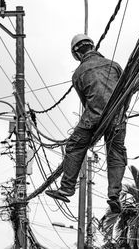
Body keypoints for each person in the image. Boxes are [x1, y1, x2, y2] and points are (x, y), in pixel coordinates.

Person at [46, 34, 128, 213]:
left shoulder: (78, 74)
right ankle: (114, 194)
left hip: (92, 117)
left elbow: (86, 101)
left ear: (76, 54)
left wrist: (93, 125)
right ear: (92, 46)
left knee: (75, 146)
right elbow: (125, 91)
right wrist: (120, 113)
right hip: (118, 117)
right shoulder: (114, 65)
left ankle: (67, 188)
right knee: (116, 153)